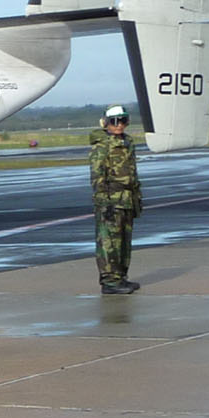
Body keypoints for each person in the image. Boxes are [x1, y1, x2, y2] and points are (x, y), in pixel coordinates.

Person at [90, 105, 143, 295]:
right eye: (114, 121)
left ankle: (120, 276)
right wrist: (104, 202)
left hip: (127, 198)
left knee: (124, 242)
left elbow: (132, 173)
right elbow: (97, 177)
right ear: (106, 122)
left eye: (123, 120)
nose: (119, 125)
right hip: (111, 200)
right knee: (109, 242)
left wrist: (137, 198)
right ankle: (110, 281)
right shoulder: (102, 146)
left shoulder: (127, 142)